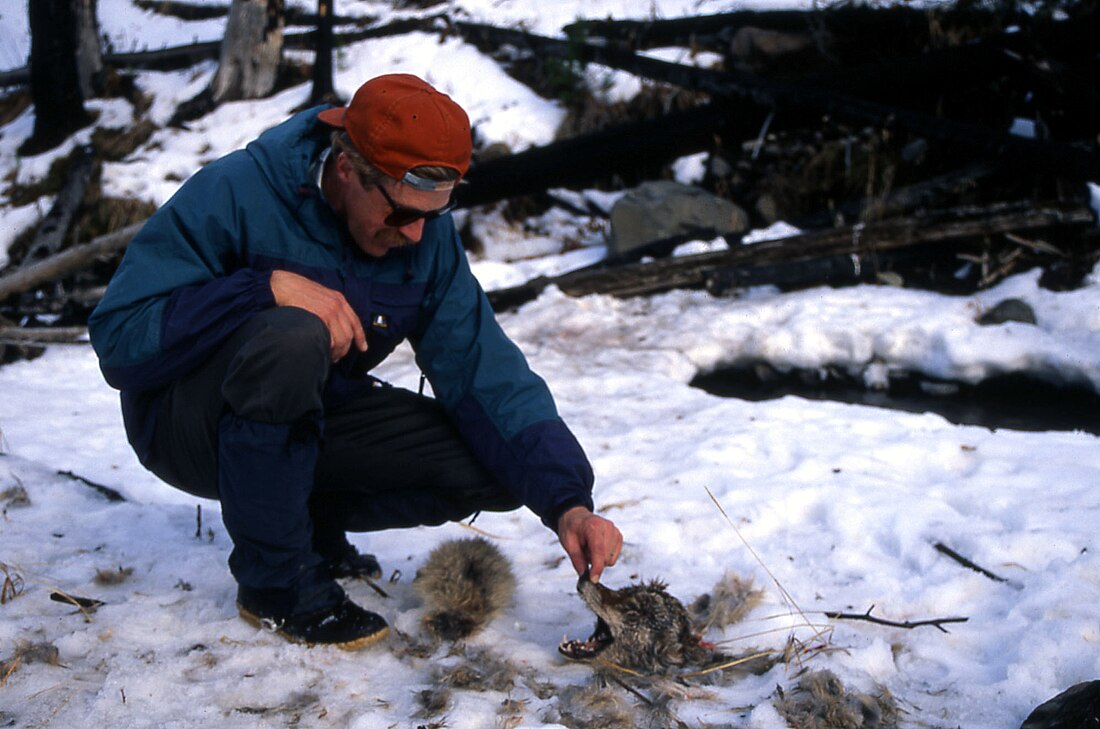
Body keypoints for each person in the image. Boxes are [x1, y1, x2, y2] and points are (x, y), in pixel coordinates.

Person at [88, 73, 623, 650]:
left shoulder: (423, 235)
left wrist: (568, 503)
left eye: (433, 215)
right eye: (401, 214)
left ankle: (302, 530)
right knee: (291, 335)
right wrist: (262, 290)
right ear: (347, 169)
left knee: (491, 465)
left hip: (309, 417)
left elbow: (483, 368)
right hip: (187, 427)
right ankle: (276, 584)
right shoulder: (236, 192)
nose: (416, 235)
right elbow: (120, 336)